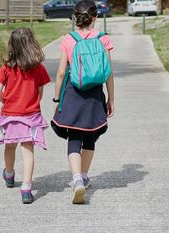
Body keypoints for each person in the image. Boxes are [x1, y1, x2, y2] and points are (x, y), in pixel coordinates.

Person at [51, 0, 115, 204]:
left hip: (73, 93)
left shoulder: (69, 40)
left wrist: (56, 99)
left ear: (75, 17)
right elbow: (108, 73)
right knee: (90, 138)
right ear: (95, 17)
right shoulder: (103, 39)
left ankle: (77, 179)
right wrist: (111, 98)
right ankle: (85, 176)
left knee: (74, 138)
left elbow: (61, 72)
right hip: (95, 95)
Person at [0, 28, 51, 204]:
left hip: (10, 114)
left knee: (10, 146)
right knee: (28, 150)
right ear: (32, 44)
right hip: (30, 115)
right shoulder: (38, 67)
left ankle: (9, 175)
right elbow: (40, 93)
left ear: (12, 45)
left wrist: (7, 102)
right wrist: (30, 103)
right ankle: (26, 188)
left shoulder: (7, 66)